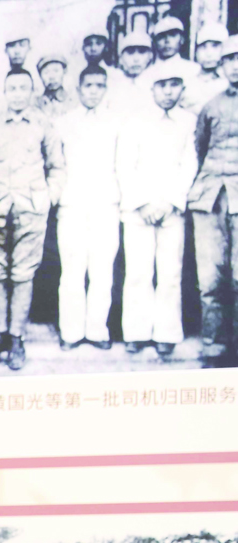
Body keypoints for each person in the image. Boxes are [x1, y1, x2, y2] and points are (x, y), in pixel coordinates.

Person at [0, 67, 65, 370]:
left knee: (23, 274)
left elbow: (57, 167)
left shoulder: (43, 125)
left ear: (32, 92)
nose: (18, 94)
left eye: (24, 88)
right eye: (13, 89)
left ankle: (17, 338)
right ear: (5, 92)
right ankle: (0, 336)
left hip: (30, 210)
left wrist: (49, 197)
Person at [119, 63, 199, 361]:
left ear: (182, 88)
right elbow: (125, 164)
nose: (168, 91)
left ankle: (166, 333)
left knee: (170, 272)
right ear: (151, 89)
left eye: (174, 85)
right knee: (138, 272)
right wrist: (143, 202)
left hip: (171, 209)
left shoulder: (189, 122)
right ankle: (136, 332)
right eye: (162, 85)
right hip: (139, 209)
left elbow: (189, 164)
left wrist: (169, 202)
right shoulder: (135, 121)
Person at [55, 65, 124, 348]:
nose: (94, 91)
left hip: (105, 203)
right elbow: (56, 165)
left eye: (99, 86)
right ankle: (71, 332)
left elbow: (122, 164)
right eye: (88, 86)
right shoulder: (63, 123)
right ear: (79, 88)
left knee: (102, 270)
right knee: (72, 269)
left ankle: (97, 330)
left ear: (106, 89)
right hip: (72, 203)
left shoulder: (116, 123)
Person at [191, 50, 238, 368]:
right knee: (210, 275)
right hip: (210, 198)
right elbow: (200, 146)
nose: (235, 66)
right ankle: (214, 343)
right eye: (229, 60)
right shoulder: (211, 106)